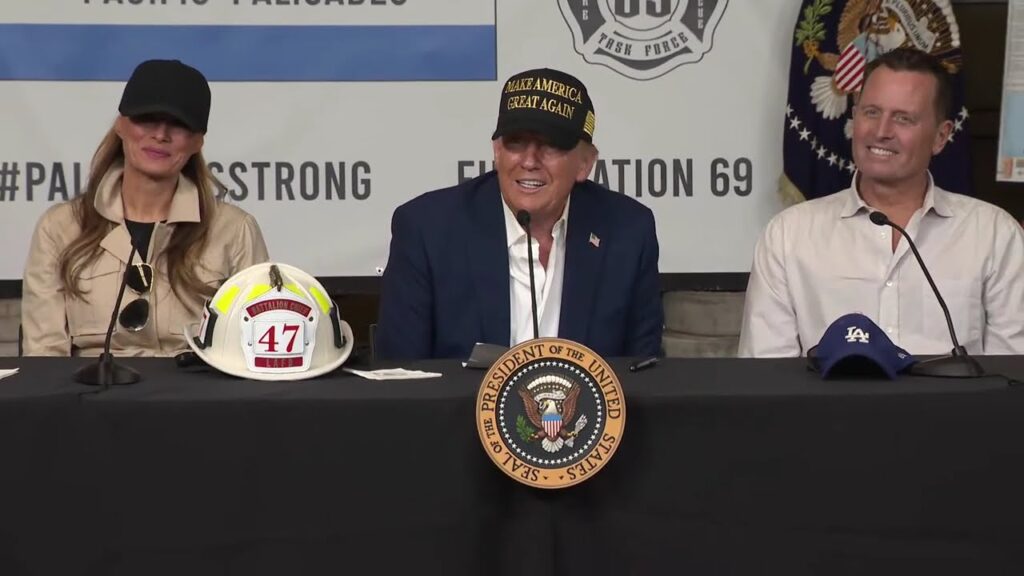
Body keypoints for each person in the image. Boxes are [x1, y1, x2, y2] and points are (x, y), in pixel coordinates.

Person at [739, 48, 1024, 357]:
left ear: (941, 137)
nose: (881, 131)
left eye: (903, 118)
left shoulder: (995, 235)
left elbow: (1012, 377)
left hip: (954, 407)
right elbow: (765, 378)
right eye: (871, 112)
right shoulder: (788, 235)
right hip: (828, 408)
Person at [376, 68, 662, 360]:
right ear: (497, 151)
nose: (529, 161)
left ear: (584, 164)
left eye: (550, 146)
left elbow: (644, 373)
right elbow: (400, 378)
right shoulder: (427, 230)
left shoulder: (627, 232)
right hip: (461, 406)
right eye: (516, 143)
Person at [22, 59, 269, 356]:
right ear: (121, 125)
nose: (161, 134)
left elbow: (256, 349)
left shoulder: (234, 230)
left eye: (179, 124)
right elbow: (44, 357)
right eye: (147, 118)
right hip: (91, 398)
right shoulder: (60, 227)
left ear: (197, 142)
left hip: (197, 400)